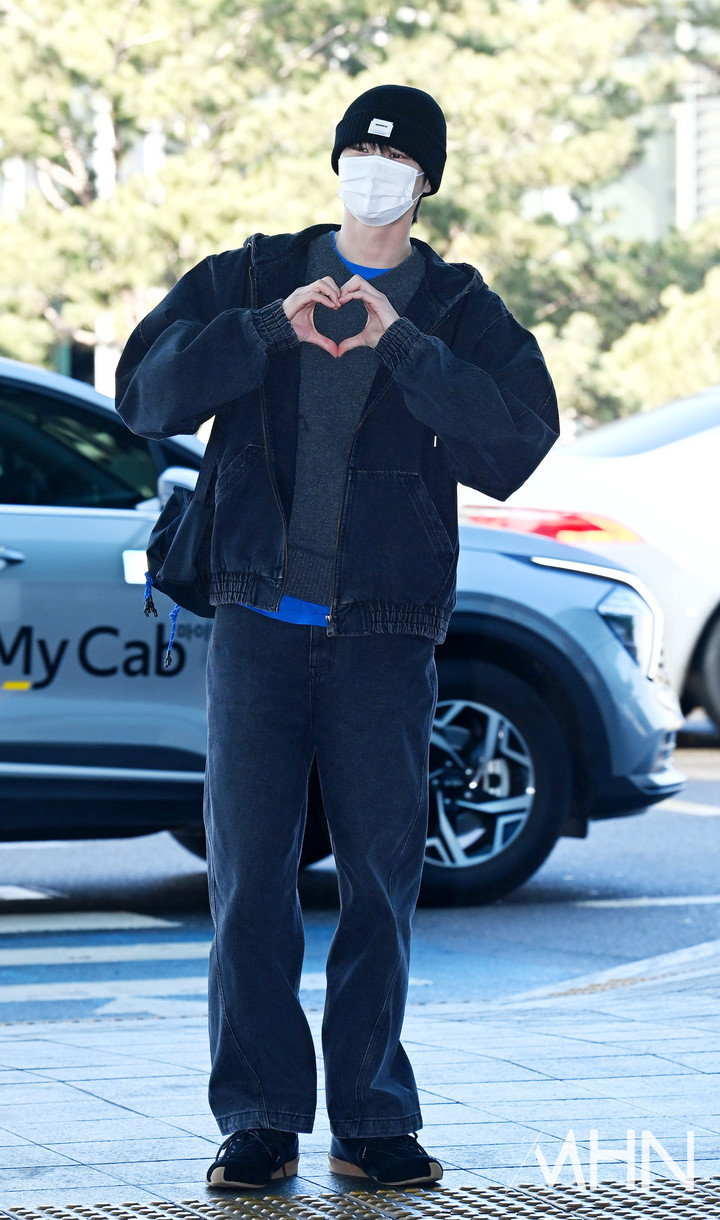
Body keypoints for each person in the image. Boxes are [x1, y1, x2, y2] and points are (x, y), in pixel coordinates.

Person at [115, 83, 560, 1191]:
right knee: (248, 882)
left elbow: (516, 440)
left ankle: (371, 1119)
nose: (374, 167)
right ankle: (259, 1119)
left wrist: (402, 344)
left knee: (379, 881)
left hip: (386, 633)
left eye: (395, 156)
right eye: (359, 147)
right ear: (335, 162)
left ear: (425, 181)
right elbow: (144, 395)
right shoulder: (254, 275)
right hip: (257, 624)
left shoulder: (456, 307)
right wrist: (267, 328)